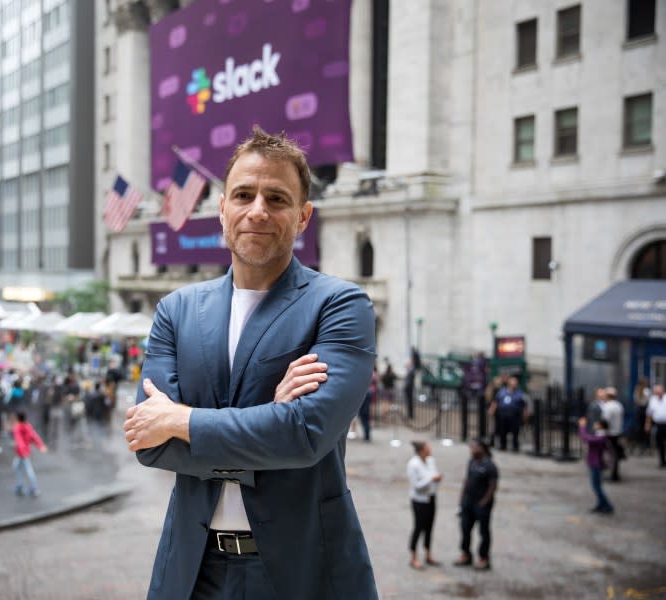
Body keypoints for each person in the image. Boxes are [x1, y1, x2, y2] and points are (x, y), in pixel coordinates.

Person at [122, 127, 378, 599]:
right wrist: (271, 422)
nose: (258, 210)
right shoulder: (175, 311)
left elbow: (305, 435)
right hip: (192, 573)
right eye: (243, 194)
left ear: (303, 217)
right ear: (222, 208)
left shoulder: (341, 305)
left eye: (277, 198)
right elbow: (150, 446)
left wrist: (182, 420)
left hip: (303, 573)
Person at [455, 438, 497, 571]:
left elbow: (492, 486)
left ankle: (484, 558)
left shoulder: (490, 466)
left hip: (481, 503)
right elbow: (466, 480)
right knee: (465, 528)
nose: (471, 450)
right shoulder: (471, 462)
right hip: (468, 501)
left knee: (483, 531)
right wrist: (461, 499)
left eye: (474, 448)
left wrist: (484, 502)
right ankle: (466, 554)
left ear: (481, 449)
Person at [407, 441, 441, 569]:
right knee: (418, 527)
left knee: (429, 527)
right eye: (428, 448)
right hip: (419, 500)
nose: (430, 450)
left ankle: (428, 554)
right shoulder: (413, 464)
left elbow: (434, 474)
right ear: (421, 450)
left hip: (431, 497)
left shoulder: (430, 460)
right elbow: (416, 486)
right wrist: (431, 480)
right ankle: (413, 556)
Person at [577, 417, 614, 514]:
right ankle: (601, 504)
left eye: (596, 423)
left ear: (601, 426)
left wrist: (582, 427)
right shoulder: (600, 435)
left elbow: (585, 437)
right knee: (596, 486)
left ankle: (607, 505)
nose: (594, 424)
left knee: (596, 486)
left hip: (597, 464)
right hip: (595, 463)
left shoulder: (600, 437)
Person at [11, 411, 47, 496]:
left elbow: (19, 441)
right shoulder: (27, 426)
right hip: (24, 452)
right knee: (16, 467)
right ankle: (20, 486)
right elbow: (34, 436)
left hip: (22, 453)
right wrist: (40, 445)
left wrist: (22, 452)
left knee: (27, 470)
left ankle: (33, 488)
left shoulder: (17, 428)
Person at [489, 376, 528, 451]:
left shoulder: (520, 393)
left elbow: (524, 405)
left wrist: (525, 415)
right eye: (513, 382)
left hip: (514, 415)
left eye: (515, 382)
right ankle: (503, 445)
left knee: (515, 431)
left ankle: (515, 446)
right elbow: (496, 401)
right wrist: (492, 410)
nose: (514, 384)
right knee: (502, 430)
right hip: (503, 414)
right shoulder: (502, 392)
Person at [602, 387, 625, 482]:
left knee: (610, 455)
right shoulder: (619, 405)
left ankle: (612, 474)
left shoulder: (607, 406)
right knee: (615, 454)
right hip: (617, 432)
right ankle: (615, 474)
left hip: (609, 433)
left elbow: (605, 421)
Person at [645, 384, 666, 468]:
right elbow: (649, 413)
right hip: (658, 424)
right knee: (659, 443)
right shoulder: (653, 400)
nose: (657, 393)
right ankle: (662, 461)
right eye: (655, 392)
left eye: (658, 391)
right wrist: (647, 424)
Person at [632, 378, 651, 454]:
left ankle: (640, 443)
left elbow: (635, 400)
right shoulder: (647, 391)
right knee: (646, 428)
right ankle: (646, 444)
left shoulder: (637, 390)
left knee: (639, 428)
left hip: (638, 409)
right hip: (645, 409)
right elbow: (649, 401)